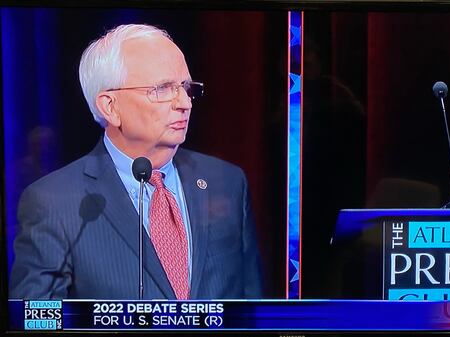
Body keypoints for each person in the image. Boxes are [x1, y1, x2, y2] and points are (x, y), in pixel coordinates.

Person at [9, 24, 262, 299]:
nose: (185, 103)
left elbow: (253, 310)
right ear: (110, 107)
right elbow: (37, 320)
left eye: (186, 87)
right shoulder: (55, 201)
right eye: (163, 88)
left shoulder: (226, 182)